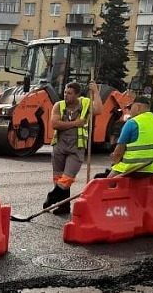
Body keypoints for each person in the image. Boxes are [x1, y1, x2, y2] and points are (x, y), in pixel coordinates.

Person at [43, 81, 102, 214]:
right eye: (65, 92)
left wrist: (96, 91)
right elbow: (55, 124)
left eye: (69, 93)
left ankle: (52, 196)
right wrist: (76, 123)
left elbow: (98, 109)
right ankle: (64, 206)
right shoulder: (59, 105)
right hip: (59, 145)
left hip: (76, 147)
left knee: (67, 178)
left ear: (77, 95)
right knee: (58, 177)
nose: (66, 95)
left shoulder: (85, 104)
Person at [108, 96, 153, 177]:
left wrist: (114, 162)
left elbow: (118, 152)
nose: (129, 111)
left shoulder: (132, 122)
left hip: (132, 169)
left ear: (137, 107)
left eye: (130, 108)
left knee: (106, 183)